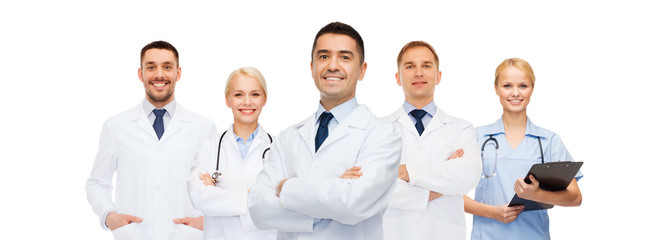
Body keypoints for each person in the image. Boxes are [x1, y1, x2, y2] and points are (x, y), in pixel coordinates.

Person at [247, 22, 402, 240]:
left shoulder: (383, 135)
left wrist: (286, 188)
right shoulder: (288, 137)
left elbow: (353, 203)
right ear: (312, 68)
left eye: (345, 57)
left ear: (362, 70)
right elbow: (258, 208)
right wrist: (333, 191)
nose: (332, 66)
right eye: (323, 56)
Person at [85, 40, 216, 240]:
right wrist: (109, 216)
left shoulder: (203, 128)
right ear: (141, 74)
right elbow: (97, 182)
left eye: (167, 67)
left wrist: (207, 220)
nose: (159, 75)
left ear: (178, 73)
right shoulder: (116, 126)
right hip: (135, 235)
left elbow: (217, 186)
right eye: (151, 67)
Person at [463, 58, 583, 240]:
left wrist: (538, 194)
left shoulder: (548, 141)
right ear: (496, 88)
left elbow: (575, 198)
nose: (515, 93)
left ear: (532, 89)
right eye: (507, 86)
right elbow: (448, 194)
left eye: (523, 86)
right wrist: (492, 212)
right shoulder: (476, 137)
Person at [381, 41, 481, 240]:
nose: (419, 73)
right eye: (410, 66)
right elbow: (373, 188)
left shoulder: (460, 128)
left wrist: (404, 172)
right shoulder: (378, 130)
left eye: (426, 66)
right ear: (398, 78)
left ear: (439, 76)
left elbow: (469, 175)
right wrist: (437, 186)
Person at [188, 67, 276, 240]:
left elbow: (283, 203)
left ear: (264, 99)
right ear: (227, 100)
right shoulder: (209, 147)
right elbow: (198, 196)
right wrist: (254, 196)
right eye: (238, 95)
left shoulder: (279, 148)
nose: (247, 102)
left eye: (255, 94)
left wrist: (217, 196)